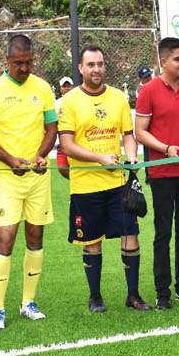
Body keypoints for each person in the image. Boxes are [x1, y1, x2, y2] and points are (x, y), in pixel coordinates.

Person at [57, 46, 150, 312]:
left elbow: (128, 136)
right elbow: (67, 145)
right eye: (91, 65)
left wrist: (131, 157)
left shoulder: (118, 98)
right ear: (81, 68)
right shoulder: (69, 101)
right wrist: (100, 159)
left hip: (118, 185)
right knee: (92, 242)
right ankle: (95, 297)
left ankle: (133, 295)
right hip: (85, 186)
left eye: (100, 64)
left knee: (130, 236)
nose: (96, 69)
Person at [0, 34, 57, 330]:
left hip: (38, 178)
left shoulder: (43, 88)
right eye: (19, 63)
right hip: (8, 180)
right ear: (7, 60)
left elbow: (52, 128)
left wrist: (40, 156)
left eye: (29, 63)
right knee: (6, 239)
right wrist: (10, 160)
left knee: (35, 239)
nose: (24, 68)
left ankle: (28, 302)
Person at [135, 37, 179, 308]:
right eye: (177, 59)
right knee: (163, 232)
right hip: (162, 173)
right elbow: (140, 132)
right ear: (163, 61)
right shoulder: (148, 91)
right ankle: (162, 292)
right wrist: (166, 149)